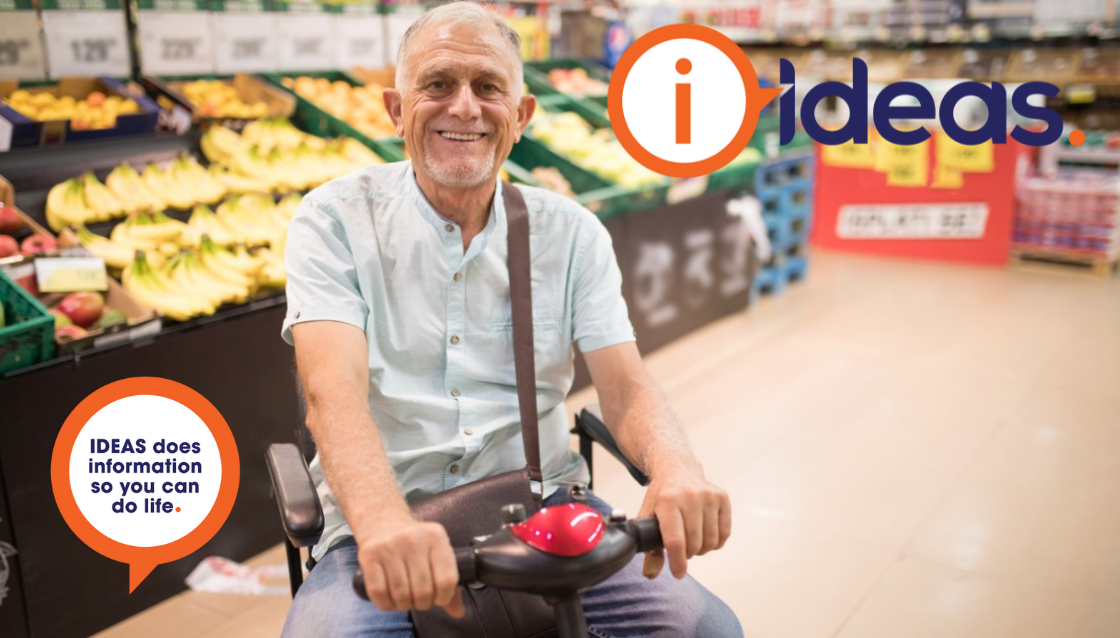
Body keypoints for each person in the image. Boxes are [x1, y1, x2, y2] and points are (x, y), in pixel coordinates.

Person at [280, 2, 742, 636]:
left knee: (705, 628)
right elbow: (331, 393)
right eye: (438, 84)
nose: (465, 107)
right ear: (394, 109)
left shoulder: (572, 234)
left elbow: (626, 387)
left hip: (544, 513)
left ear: (521, 116)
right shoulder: (333, 222)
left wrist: (676, 466)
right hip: (381, 525)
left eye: (489, 87)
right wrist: (383, 521)